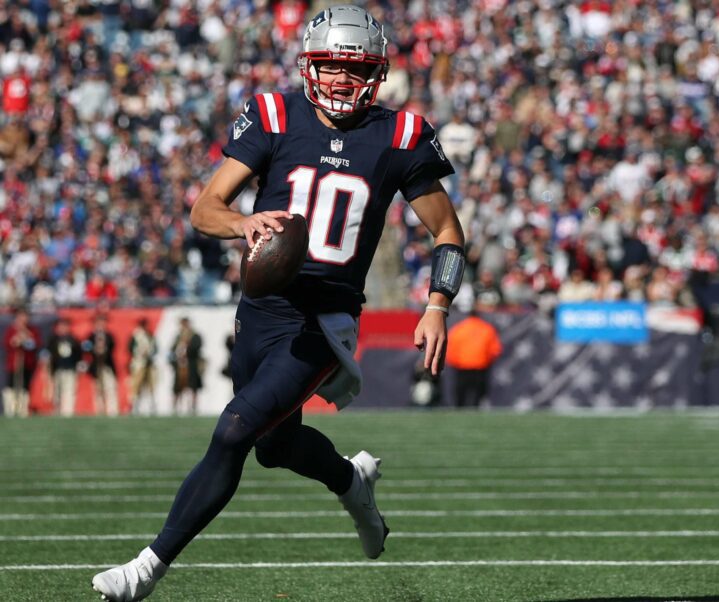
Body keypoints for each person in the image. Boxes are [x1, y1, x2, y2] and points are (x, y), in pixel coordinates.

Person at [92, 6, 465, 600]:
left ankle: (146, 567)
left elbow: (447, 230)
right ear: (309, 66)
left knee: (234, 430)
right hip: (260, 311)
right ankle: (351, 479)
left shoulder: (401, 134)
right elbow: (205, 208)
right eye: (331, 67)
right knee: (274, 445)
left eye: (356, 68)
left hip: (325, 320)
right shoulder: (274, 115)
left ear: (377, 71)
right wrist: (245, 223)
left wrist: (437, 304)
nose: (342, 80)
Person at [444, 304, 502, 409]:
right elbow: (495, 350)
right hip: (480, 367)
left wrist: (455, 362)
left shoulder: (459, 329)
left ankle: (459, 412)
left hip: (462, 367)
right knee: (478, 395)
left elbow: (450, 349)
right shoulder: (487, 329)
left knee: (460, 395)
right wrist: (486, 360)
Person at [2, 308, 39, 417]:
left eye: (25, 316)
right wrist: (16, 339)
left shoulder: (32, 330)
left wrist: (26, 338)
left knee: (25, 386)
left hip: (27, 363)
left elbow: (34, 345)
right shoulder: (11, 330)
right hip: (13, 363)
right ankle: (10, 409)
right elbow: (7, 344)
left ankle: (23, 409)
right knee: (11, 386)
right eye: (21, 317)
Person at [82, 314, 119, 417]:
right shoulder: (91, 336)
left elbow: (112, 348)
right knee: (98, 390)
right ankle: (100, 410)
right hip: (96, 367)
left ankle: (112, 411)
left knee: (110, 388)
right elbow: (85, 349)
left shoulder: (109, 336)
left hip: (107, 366)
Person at [44, 317, 80, 417]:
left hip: (70, 369)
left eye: (65, 326)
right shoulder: (53, 339)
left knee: (69, 390)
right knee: (57, 391)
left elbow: (78, 354)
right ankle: (57, 410)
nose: (63, 328)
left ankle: (68, 411)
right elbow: (48, 353)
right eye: (61, 326)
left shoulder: (73, 339)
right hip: (57, 369)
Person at [168, 317, 203, 416]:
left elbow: (197, 347)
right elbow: (172, 349)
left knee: (193, 387)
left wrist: (187, 350)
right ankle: (175, 408)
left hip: (191, 364)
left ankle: (193, 407)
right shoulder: (178, 337)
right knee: (177, 387)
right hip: (180, 366)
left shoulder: (195, 336)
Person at [128, 318, 159, 416]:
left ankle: (152, 406)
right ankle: (135, 406)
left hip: (149, 364)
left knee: (151, 386)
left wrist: (149, 353)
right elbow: (130, 348)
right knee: (136, 386)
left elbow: (155, 348)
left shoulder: (150, 335)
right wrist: (140, 353)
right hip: (139, 364)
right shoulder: (136, 336)